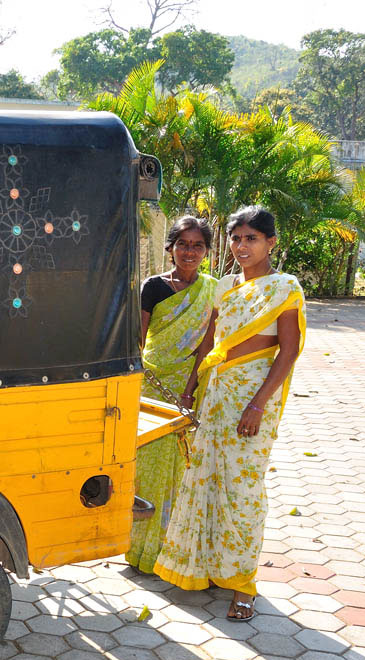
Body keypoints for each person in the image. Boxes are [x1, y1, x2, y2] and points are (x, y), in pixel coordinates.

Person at [154, 206, 305, 621]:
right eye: (236, 239)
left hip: (255, 397)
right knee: (204, 478)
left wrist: (257, 403)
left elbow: (289, 351)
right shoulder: (225, 286)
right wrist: (191, 386)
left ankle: (243, 585)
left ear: (271, 242)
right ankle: (200, 568)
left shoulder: (285, 287)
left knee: (242, 490)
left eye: (251, 238)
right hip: (216, 393)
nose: (241, 246)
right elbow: (211, 341)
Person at [126, 217, 217, 573]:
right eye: (183, 244)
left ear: (207, 251)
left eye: (197, 246)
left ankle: (167, 550)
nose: (189, 252)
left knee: (179, 469)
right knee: (145, 465)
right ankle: (135, 548)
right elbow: (137, 339)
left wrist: (190, 389)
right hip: (150, 384)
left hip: (183, 387)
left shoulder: (210, 291)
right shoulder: (153, 287)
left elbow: (204, 348)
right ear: (171, 248)